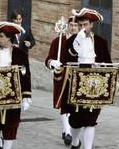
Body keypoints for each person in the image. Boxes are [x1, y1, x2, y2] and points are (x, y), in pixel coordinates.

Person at [62, 8, 111, 149]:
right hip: (76, 87)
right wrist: (78, 40)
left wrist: (102, 66)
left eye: (86, 24)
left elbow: (107, 63)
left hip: (95, 87)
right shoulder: (72, 40)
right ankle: (75, 142)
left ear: (91, 25)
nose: (83, 28)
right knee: (76, 120)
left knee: (91, 119)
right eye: (81, 25)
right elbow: (67, 58)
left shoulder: (101, 42)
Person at [0, 21, 32, 149]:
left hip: (14, 95)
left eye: (1, 36)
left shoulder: (20, 54)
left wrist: (27, 96)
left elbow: (26, 75)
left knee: (11, 124)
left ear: (9, 38)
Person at [45, 16, 80, 146]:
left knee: (75, 106)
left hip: (77, 77)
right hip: (63, 77)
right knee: (64, 104)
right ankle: (67, 132)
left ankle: (71, 131)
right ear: (67, 26)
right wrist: (52, 62)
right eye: (71, 25)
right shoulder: (58, 41)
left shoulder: (82, 42)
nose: (73, 27)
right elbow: (48, 59)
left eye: (76, 25)